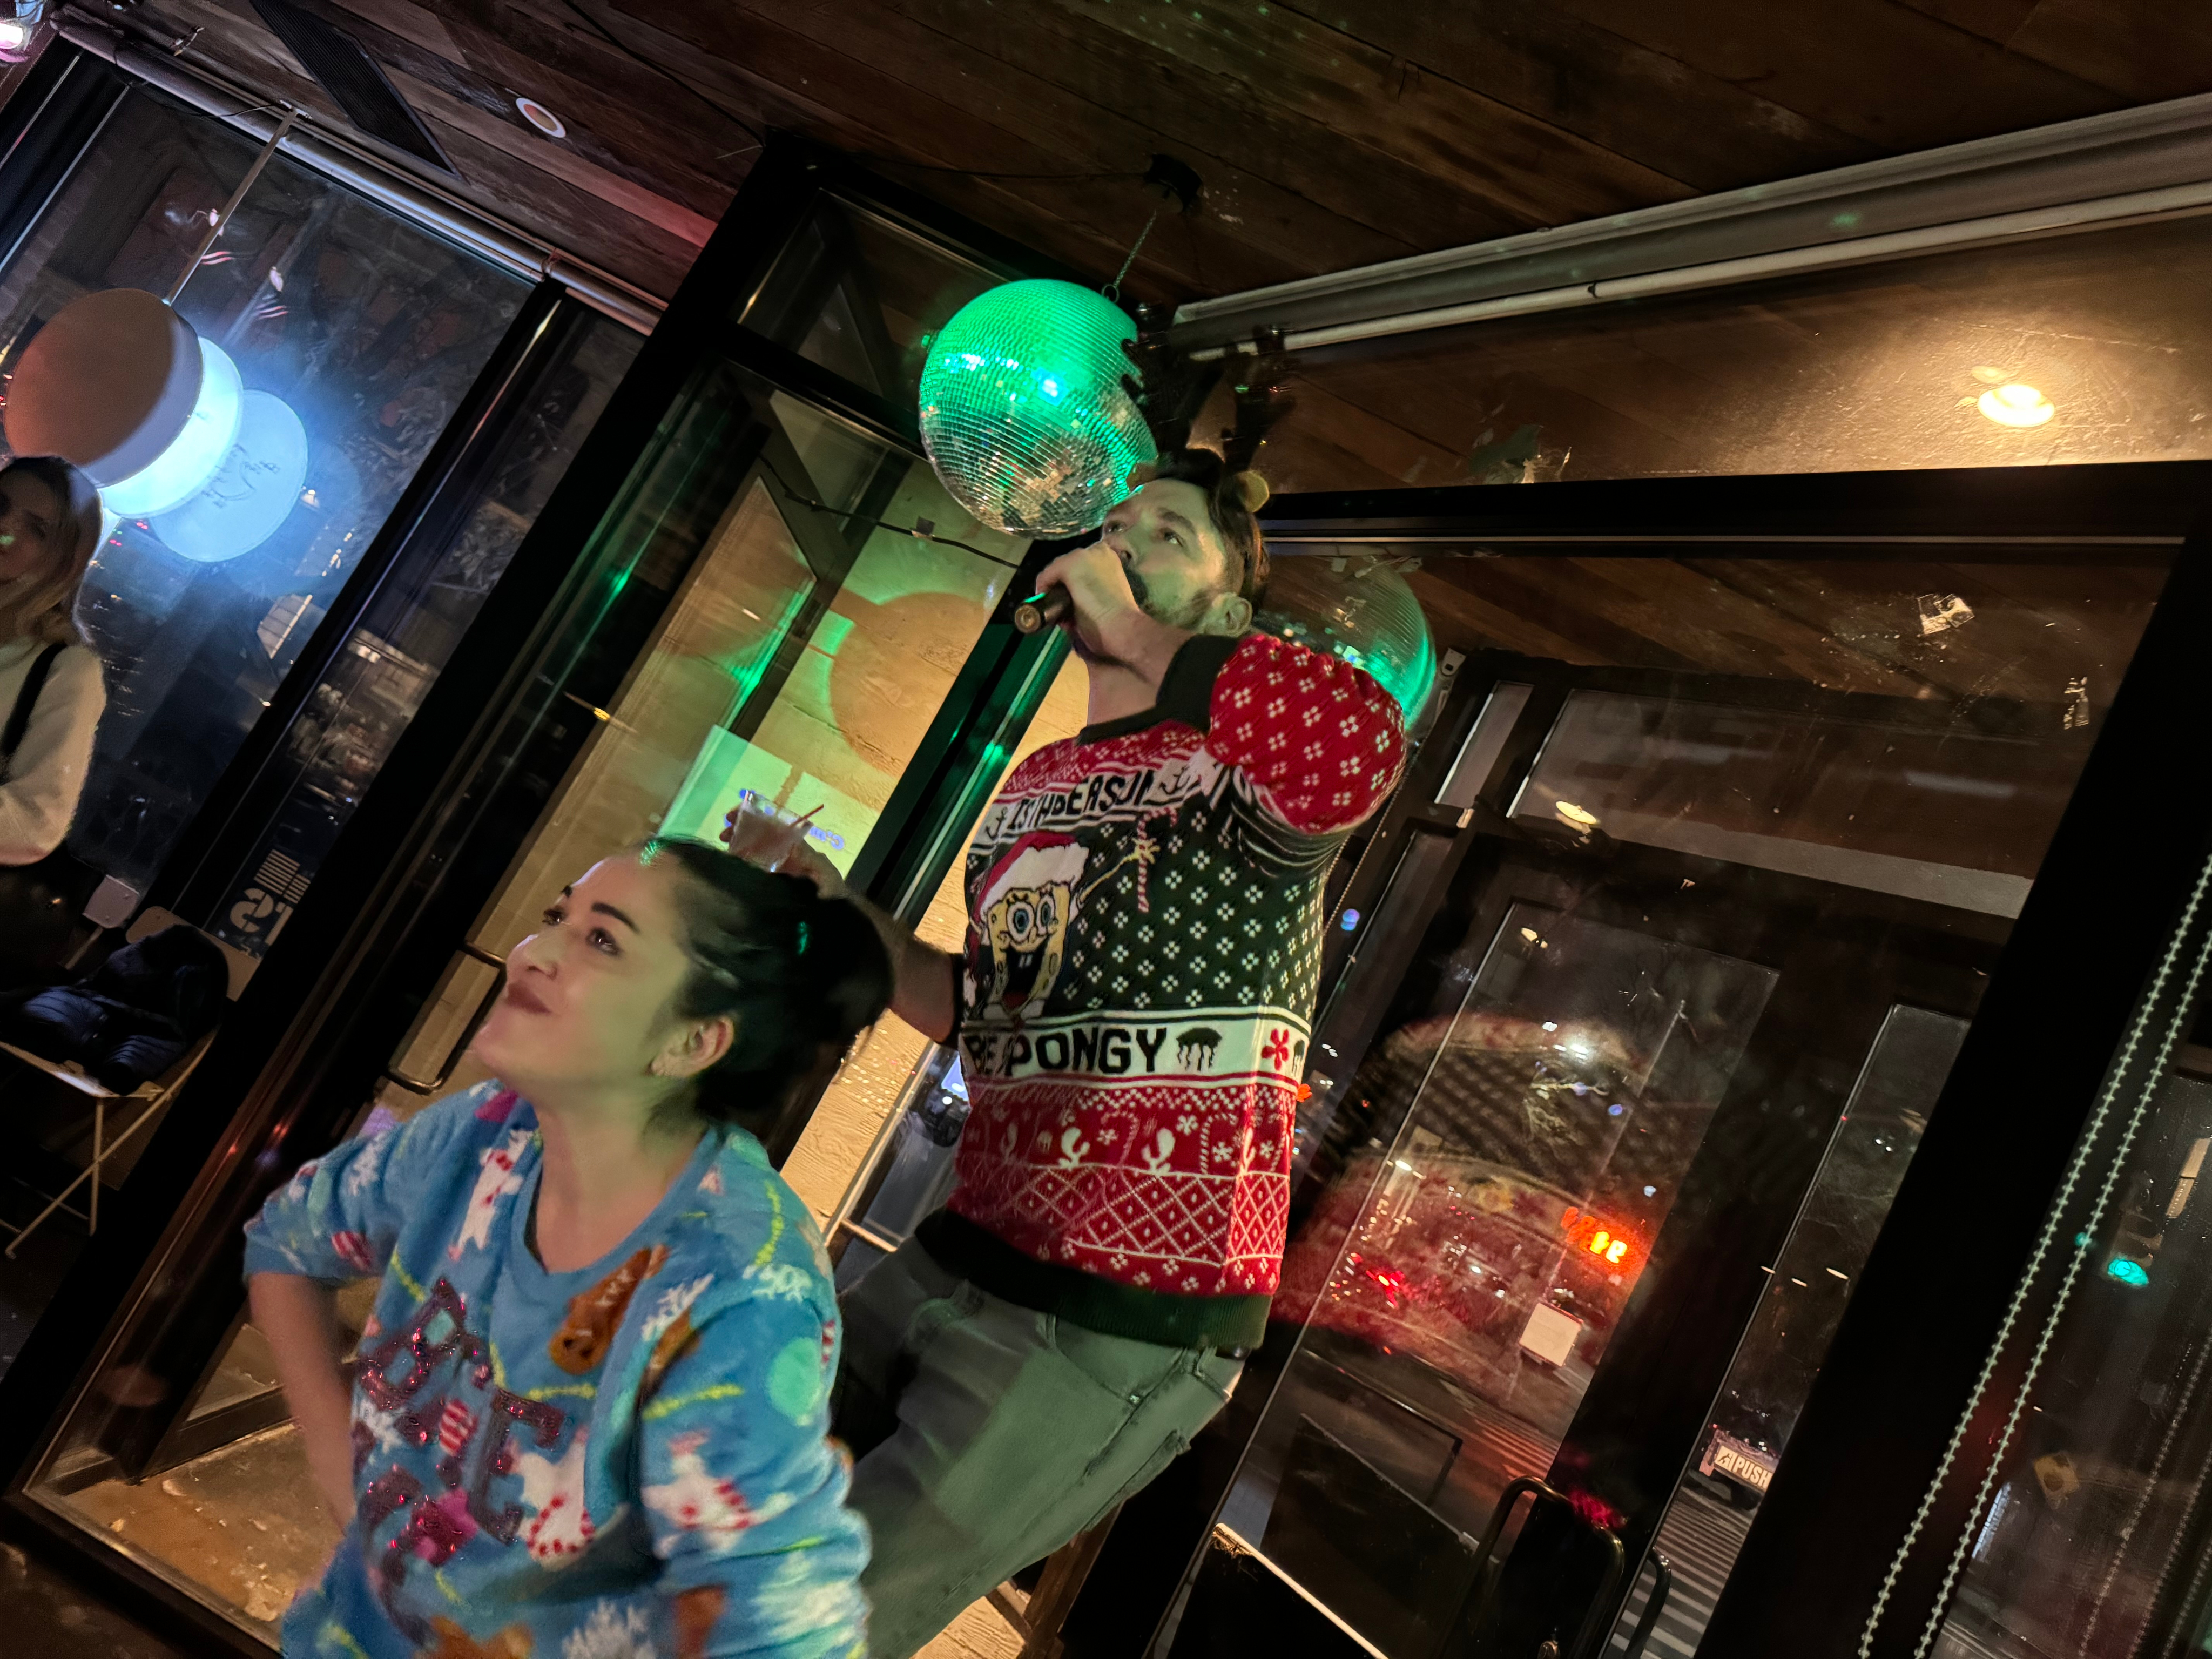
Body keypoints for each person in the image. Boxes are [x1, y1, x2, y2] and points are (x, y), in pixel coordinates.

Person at [731, 446, 1407, 1657]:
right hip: (962, 1240)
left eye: (1163, 535)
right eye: (1113, 526)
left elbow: (1357, 749)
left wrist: (1146, 640)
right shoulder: (1043, 779)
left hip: (1121, 1315)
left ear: (1229, 604)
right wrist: (830, 905)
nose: (1122, 546)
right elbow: (983, 1016)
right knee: (729, 1517)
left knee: (811, 1629)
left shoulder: (1242, 766)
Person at [245, 839, 889, 1659]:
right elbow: (288, 1241)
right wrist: (342, 1469)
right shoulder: (488, 1132)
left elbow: (784, 1626)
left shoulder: (740, 1287)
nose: (534, 951)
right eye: (559, 916)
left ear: (693, 1044)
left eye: (602, 940)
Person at [0, 455, 107, 972]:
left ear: (62, 559)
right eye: (2, 506)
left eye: (36, 529)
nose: (5, 528)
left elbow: (36, 824)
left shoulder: (65, 669)